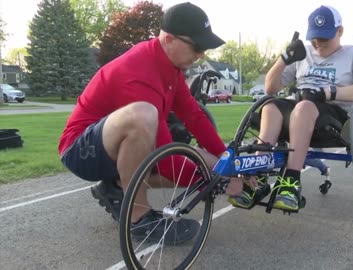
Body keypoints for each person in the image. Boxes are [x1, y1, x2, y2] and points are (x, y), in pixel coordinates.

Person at [59, 2, 242, 244]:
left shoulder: (171, 68)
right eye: (197, 47)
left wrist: (229, 163)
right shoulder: (139, 72)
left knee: (207, 161)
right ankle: (138, 219)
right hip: (81, 151)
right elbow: (166, 162)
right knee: (144, 115)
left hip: (111, 150)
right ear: (168, 39)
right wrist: (214, 183)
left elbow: (194, 116)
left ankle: (115, 187)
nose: (201, 55)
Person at [228, 5, 353, 211]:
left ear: (340, 31)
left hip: (332, 114)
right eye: (314, 38)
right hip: (299, 107)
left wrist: (329, 92)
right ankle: (259, 178)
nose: (318, 44)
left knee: (304, 107)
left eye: (324, 39)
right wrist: (283, 58)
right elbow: (270, 88)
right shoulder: (303, 54)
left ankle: (291, 183)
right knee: (270, 107)